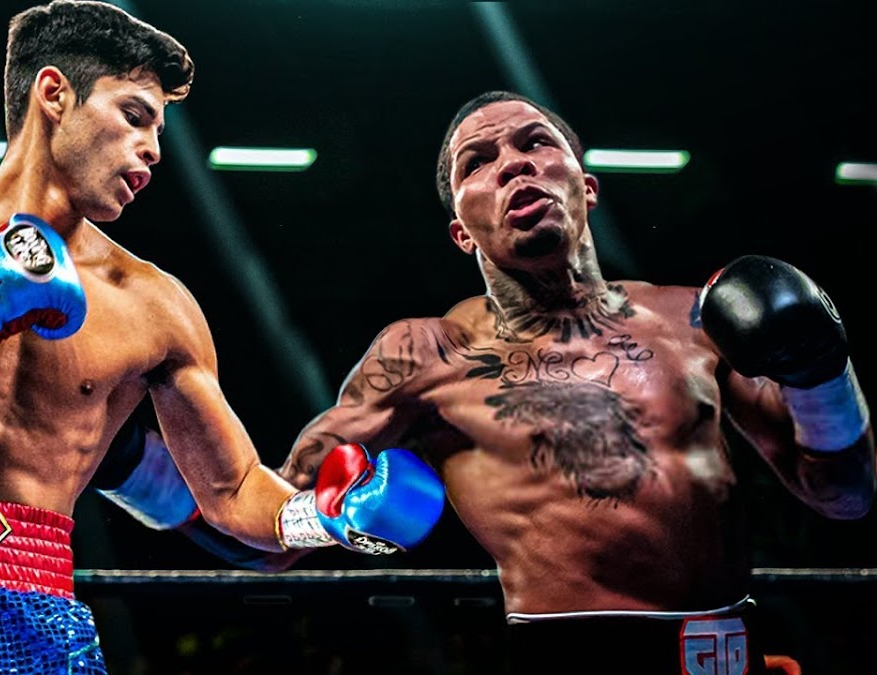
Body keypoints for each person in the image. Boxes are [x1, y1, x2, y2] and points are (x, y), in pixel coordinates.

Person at [93, 90, 874, 674]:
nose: (515, 164)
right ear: (461, 230)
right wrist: (128, 463)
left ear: (586, 185)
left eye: (536, 144)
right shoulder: (424, 355)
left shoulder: (696, 322)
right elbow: (265, 533)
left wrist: (820, 372)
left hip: (725, 658)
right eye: (480, 160)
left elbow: (842, 494)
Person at [0, 2, 444, 672]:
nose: (152, 147)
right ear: (54, 94)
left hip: (34, 605)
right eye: (134, 115)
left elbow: (234, 490)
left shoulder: (156, 304)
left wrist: (322, 515)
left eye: (159, 127)